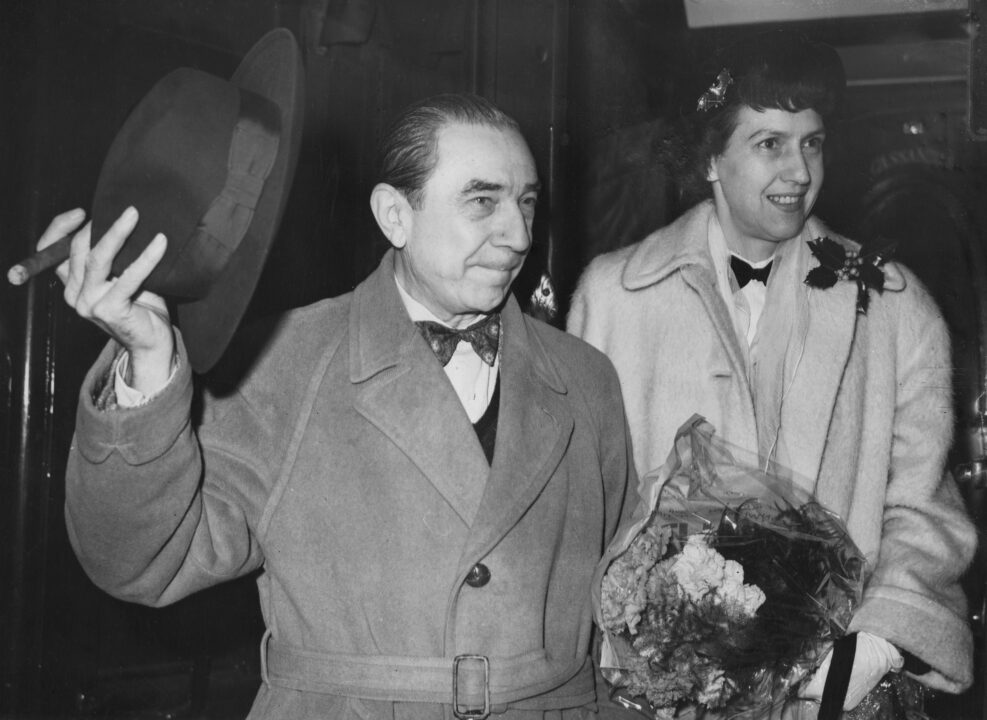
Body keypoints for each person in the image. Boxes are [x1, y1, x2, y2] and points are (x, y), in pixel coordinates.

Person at [43, 93, 634, 719]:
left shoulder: (586, 380)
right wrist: (148, 363)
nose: (518, 235)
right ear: (394, 216)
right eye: (482, 201)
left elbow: (621, 607)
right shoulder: (280, 366)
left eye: (527, 202)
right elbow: (137, 561)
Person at [568, 30, 976, 714]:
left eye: (811, 142)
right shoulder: (612, 299)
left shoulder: (891, 305)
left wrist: (872, 644)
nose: (797, 172)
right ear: (708, 159)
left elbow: (925, 513)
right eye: (769, 145)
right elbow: (585, 513)